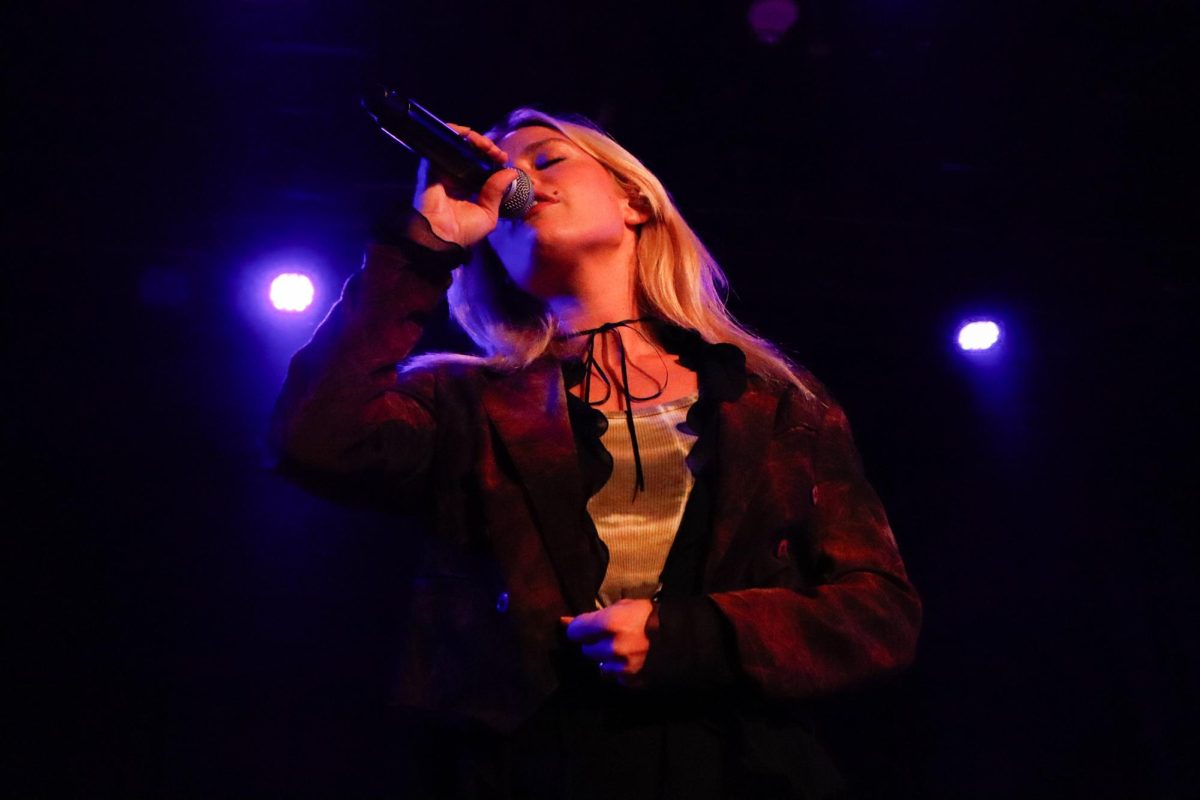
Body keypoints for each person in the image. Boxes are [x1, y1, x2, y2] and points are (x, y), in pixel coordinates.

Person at [270, 107, 921, 799]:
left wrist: (692, 638)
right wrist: (429, 242)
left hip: (742, 767)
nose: (517, 180)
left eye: (547, 160)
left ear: (634, 200)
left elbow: (878, 613)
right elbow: (314, 439)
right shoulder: (463, 398)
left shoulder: (777, 403)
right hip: (535, 768)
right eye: (503, 174)